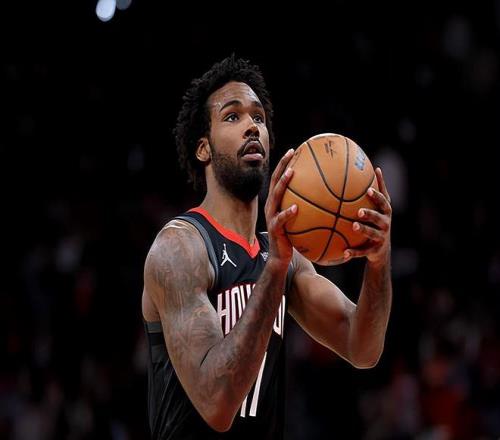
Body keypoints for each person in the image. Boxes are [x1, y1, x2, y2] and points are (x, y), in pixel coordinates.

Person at [141, 55, 393, 439]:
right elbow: (217, 402)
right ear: (203, 149)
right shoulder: (180, 248)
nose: (252, 127)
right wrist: (274, 266)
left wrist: (378, 260)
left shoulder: (284, 258)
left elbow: (363, 348)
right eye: (232, 116)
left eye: (258, 118)